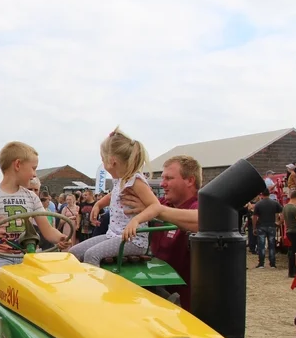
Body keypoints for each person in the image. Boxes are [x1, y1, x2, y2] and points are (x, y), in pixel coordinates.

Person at [0, 141, 69, 282]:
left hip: (28, 256)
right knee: (6, 287)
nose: (34, 174)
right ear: (18, 165)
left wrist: (60, 238)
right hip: (0, 258)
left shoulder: (31, 197)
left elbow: (48, 230)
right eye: (33, 168)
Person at [69, 127, 160, 266]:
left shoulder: (136, 181)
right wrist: (98, 205)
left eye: (102, 159)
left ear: (112, 161)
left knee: (91, 254)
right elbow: (113, 195)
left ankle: (94, 287)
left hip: (132, 240)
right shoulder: (121, 180)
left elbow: (155, 206)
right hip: (113, 236)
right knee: (74, 252)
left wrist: (136, 220)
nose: (103, 163)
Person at [121, 155, 202, 310]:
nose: (162, 184)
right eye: (162, 178)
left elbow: (201, 221)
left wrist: (155, 211)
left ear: (190, 180)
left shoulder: (198, 205)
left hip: (185, 303)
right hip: (157, 294)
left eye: (169, 178)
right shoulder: (163, 203)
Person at [253, 190, 283, 269]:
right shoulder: (275, 203)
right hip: (272, 226)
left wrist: (254, 227)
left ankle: (261, 263)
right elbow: (282, 213)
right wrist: (279, 222)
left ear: (262, 194)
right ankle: (272, 264)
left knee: (261, 245)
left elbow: (255, 217)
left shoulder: (258, 204)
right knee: (272, 245)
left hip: (261, 226)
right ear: (269, 194)